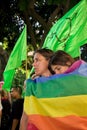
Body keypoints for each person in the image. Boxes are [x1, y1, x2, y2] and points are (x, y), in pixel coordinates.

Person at [20, 48, 54, 130]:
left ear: (49, 61)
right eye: (33, 61)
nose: (33, 64)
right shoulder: (32, 85)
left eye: (37, 60)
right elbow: (25, 117)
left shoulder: (62, 84)